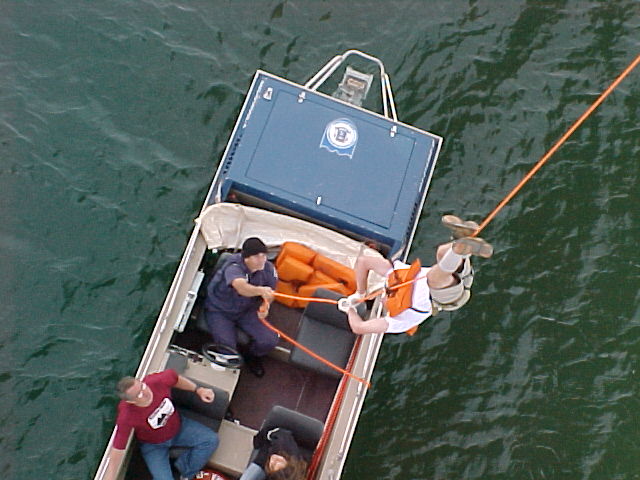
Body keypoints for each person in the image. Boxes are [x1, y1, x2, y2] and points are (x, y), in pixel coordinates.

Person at [341, 215, 493, 335]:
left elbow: (363, 261)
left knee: (441, 252)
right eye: (384, 301)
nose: (382, 299)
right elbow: (358, 328)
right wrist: (352, 308)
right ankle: (459, 249)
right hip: (450, 297)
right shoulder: (401, 322)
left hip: (455, 276)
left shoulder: (394, 274)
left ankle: (460, 242)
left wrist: (358, 296)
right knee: (434, 278)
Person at [104, 369, 219, 480]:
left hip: (179, 427)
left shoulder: (157, 381)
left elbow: (176, 379)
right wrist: (110, 476)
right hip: (154, 446)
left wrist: (198, 390)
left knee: (211, 440)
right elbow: (118, 448)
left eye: (142, 386)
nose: (145, 392)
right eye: (139, 395)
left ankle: (185, 473)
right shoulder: (126, 416)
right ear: (131, 401)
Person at [205, 237, 278, 377]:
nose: (262, 260)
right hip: (220, 310)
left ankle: (252, 356)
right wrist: (261, 290)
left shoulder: (269, 270)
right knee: (227, 348)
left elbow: (270, 294)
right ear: (246, 258)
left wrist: (265, 306)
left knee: (269, 340)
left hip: (246, 309)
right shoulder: (233, 267)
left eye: (263, 255)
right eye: (256, 257)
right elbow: (241, 287)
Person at [239, 426, 308, 480]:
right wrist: (257, 442)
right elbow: (273, 431)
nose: (273, 460)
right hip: (262, 461)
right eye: (278, 461)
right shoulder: (284, 444)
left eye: (272, 465)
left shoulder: (273, 466)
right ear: (289, 463)